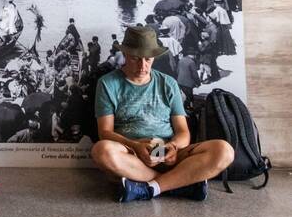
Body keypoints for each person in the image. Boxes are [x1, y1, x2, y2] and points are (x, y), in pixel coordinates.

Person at [90, 25, 234, 202]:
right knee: (101, 151)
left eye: (148, 60)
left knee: (224, 151)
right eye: (136, 59)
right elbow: (105, 132)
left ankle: (148, 188)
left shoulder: (168, 83)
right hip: (131, 152)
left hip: (165, 149)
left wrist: (172, 148)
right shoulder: (108, 83)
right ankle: (178, 183)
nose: (143, 66)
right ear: (125, 54)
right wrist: (135, 146)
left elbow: (183, 132)